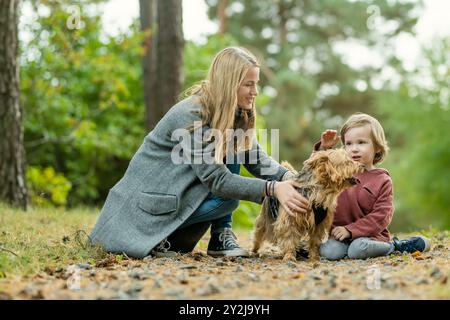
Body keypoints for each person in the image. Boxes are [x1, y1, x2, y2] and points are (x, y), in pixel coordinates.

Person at [89, 47, 309, 259]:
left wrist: (294, 180)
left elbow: (255, 158)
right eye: (248, 85)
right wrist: (273, 189)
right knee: (227, 200)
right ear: (229, 84)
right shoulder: (191, 114)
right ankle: (164, 236)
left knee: (232, 153)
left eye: (256, 84)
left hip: (179, 198)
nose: (255, 92)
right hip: (147, 212)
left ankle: (220, 237)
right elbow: (217, 180)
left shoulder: (234, 113)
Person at [312, 113, 430, 260]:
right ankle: (346, 250)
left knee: (358, 249)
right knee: (328, 252)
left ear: (377, 148)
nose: (354, 149)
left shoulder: (382, 180)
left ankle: (397, 246)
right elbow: (316, 171)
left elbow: (381, 216)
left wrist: (350, 230)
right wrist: (323, 148)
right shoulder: (338, 173)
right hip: (339, 236)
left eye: (361, 142)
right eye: (349, 144)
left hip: (370, 237)